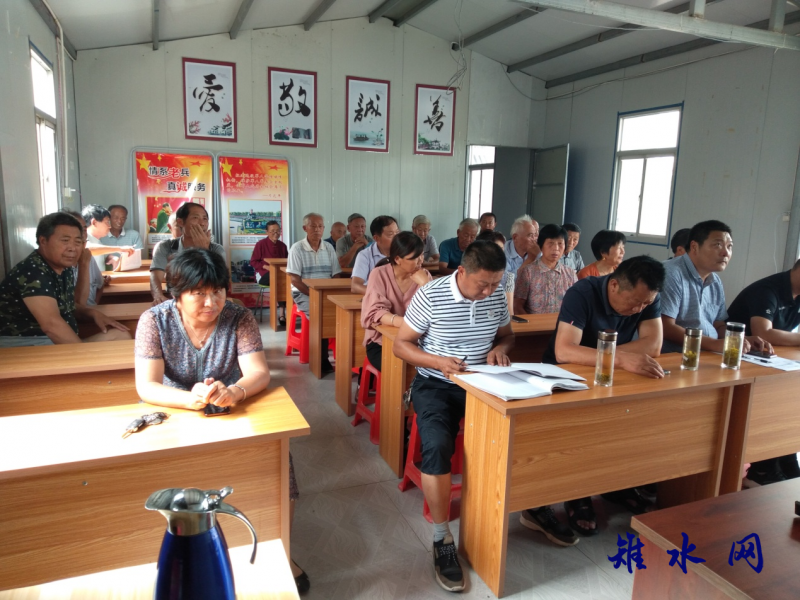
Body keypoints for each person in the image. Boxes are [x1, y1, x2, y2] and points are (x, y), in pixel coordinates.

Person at [133, 248, 311, 594]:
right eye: (199, 293)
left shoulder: (238, 316)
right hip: (176, 409)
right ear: (177, 294)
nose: (211, 302)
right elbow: (148, 385)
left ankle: (282, 548)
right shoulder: (154, 321)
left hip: (230, 406)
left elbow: (258, 372)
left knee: (277, 460)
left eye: (217, 291)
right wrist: (190, 399)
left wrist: (236, 391)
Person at [520, 256, 667, 546]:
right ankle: (578, 494)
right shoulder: (583, 292)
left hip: (611, 376)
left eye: (645, 304)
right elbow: (564, 351)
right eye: (634, 303)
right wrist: (620, 358)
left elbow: (653, 344)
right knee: (582, 429)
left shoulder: (647, 295)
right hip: (566, 378)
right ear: (614, 285)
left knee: (636, 422)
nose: (639, 310)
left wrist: (612, 359)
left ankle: (615, 484)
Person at [393, 241, 514, 592]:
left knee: (516, 435)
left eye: (496, 284)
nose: (489, 292)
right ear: (462, 272)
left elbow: (508, 336)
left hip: (482, 381)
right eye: (483, 284)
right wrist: (438, 362)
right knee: (436, 444)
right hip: (436, 383)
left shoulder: (496, 293)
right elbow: (402, 345)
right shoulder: (431, 296)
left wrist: (499, 349)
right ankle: (441, 536)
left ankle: (529, 510)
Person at [0, 212, 130, 346]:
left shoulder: (63, 267)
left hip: (53, 341)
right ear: (43, 241)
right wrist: (84, 354)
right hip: (27, 344)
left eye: (78, 242)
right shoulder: (33, 271)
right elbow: (51, 325)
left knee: (121, 336)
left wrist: (91, 313)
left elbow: (70, 306)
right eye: (65, 241)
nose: (72, 248)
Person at [727, 260, 800, 486]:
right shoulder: (768, 289)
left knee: (789, 400)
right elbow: (764, 333)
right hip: (734, 360)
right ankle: (762, 467)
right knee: (772, 402)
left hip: (767, 361)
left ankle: (784, 457)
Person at [660, 220, 771, 355]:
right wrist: (714, 344)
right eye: (718, 245)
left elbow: (718, 325)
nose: (725, 253)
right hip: (675, 356)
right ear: (694, 247)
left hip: (708, 354)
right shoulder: (671, 273)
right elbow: (665, 326)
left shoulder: (715, 281)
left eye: (729, 246)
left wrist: (738, 339)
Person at [361, 232, 432, 371]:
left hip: (417, 341)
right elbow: (376, 312)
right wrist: (406, 323)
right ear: (398, 259)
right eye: (415, 257)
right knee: (401, 368)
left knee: (435, 368)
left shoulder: (424, 276)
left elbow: (436, 310)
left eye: (422, 255)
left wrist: (426, 285)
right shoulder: (379, 274)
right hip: (382, 342)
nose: (420, 261)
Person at [287, 213, 342, 374]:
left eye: (320, 226)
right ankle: (321, 358)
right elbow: (295, 280)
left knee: (344, 313)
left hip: (326, 293)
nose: (317, 229)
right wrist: (315, 295)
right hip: (303, 293)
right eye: (313, 226)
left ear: (324, 229)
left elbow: (336, 275)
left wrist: (329, 293)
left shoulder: (329, 247)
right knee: (320, 314)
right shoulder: (297, 248)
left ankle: (343, 355)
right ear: (305, 228)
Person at [150, 203, 225, 305]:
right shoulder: (165, 247)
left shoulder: (216, 249)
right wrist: (158, 295)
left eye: (205, 219)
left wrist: (203, 250)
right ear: (180, 222)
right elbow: (156, 276)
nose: (202, 223)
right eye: (195, 218)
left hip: (207, 300)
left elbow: (219, 282)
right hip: (174, 298)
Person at [514, 224, 577, 315]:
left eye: (560, 244)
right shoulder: (528, 272)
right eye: (550, 243)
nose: (556, 248)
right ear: (541, 246)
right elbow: (517, 306)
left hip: (563, 323)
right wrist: (530, 323)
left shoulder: (570, 273)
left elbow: (576, 303)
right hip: (535, 323)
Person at [61, 208, 106, 306]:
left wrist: (94, 306)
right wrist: (83, 265)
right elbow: (77, 304)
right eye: (77, 229)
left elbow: (100, 286)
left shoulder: (87, 255)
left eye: (84, 229)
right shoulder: (60, 261)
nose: (82, 234)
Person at [249, 221, 288, 325]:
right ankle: (281, 314)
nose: (276, 233)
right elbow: (253, 262)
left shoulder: (283, 246)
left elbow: (287, 261)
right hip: (263, 274)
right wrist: (266, 266)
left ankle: (282, 313)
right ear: (267, 232)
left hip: (278, 275)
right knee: (279, 280)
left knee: (283, 280)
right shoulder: (260, 244)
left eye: (278, 231)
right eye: (272, 231)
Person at [351, 216, 399, 294]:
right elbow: (355, 286)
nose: (396, 238)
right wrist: (382, 294)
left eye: (397, 232)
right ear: (376, 238)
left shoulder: (405, 253)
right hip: (376, 297)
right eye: (390, 234)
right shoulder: (365, 255)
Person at [81, 204, 135, 272]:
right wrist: (120, 249)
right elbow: (87, 249)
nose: (109, 226)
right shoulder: (82, 237)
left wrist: (112, 258)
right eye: (107, 222)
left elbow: (104, 255)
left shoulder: (98, 241)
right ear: (94, 222)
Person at [477, 230, 515, 310]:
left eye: (501, 249)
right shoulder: (471, 274)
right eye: (495, 249)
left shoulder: (508, 278)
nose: (499, 254)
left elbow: (509, 312)